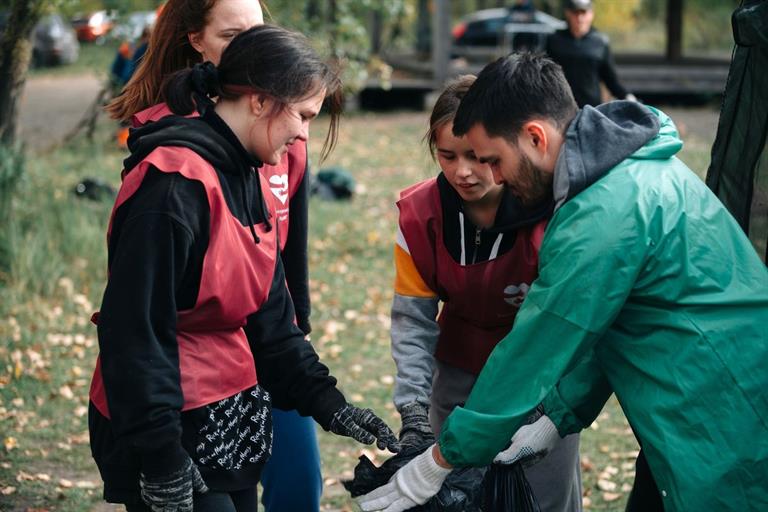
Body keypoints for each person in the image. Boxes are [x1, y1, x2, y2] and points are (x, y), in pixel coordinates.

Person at [358, 52, 768, 512]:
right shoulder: (625, 173)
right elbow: (613, 327)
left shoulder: (600, 214)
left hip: (723, 415)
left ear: (535, 137)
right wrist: (558, 415)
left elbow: (535, 348)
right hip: (699, 405)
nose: (490, 177)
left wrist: (440, 460)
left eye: (493, 159)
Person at [88, 25, 400, 512]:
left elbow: (272, 318)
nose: (303, 134)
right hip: (169, 422)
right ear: (258, 101)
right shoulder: (173, 187)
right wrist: (162, 457)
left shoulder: (244, 171)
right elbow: (135, 333)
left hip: (226, 410)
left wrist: (331, 406)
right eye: (301, 115)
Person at [105, 2, 323, 510]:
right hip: (181, 373)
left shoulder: (270, 138)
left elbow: (286, 250)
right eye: (232, 33)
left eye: (257, 31)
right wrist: (159, 450)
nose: (249, 43)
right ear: (196, 40)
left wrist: (303, 356)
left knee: (297, 485)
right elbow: (140, 316)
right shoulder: (177, 166)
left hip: (264, 344)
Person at [390, 75, 581, 511]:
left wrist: (555, 410)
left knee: (542, 500)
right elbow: (412, 321)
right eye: (447, 155)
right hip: (456, 379)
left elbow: (574, 326)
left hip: (541, 385)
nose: (462, 171)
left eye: (477, 157)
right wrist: (414, 410)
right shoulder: (419, 216)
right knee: (457, 497)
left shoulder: (551, 213)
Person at [545, 0, 636, 107]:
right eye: (575, 13)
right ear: (567, 13)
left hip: (591, 108)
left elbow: (610, 79)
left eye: (583, 13)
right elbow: (544, 75)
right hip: (560, 107)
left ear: (591, 14)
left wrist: (628, 97)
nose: (579, 18)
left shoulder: (600, 42)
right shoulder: (554, 40)